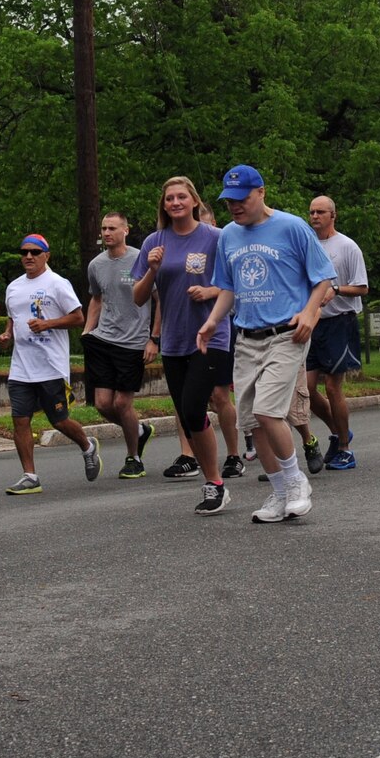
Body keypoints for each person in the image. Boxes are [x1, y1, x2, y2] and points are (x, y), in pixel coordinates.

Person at [195, 165, 336, 523]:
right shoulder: (228, 235)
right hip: (246, 337)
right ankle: (278, 491)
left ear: (261, 193)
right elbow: (228, 287)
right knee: (252, 423)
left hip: (286, 335)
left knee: (267, 411)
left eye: (241, 200)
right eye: (229, 202)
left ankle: (296, 481)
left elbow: (323, 279)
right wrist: (212, 322)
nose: (235, 207)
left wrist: (308, 312)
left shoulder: (292, 227)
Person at [132, 176, 236, 514]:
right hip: (174, 341)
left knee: (193, 408)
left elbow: (236, 287)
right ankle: (213, 481)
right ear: (163, 206)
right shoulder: (154, 242)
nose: (175, 202)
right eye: (169, 198)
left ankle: (215, 482)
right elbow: (138, 297)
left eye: (181, 197)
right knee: (189, 415)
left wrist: (210, 293)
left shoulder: (215, 238)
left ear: (194, 201)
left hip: (211, 336)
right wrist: (152, 270)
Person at [0, 235, 102, 495]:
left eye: (35, 252)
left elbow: (78, 317)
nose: (28, 257)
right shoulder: (14, 287)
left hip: (50, 365)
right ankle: (30, 476)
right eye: (24, 252)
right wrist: (7, 333)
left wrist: (47, 324)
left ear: (47, 255)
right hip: (22, 366)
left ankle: (87, 445)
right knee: (20, 420)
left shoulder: (57, 283)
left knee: (59, 421)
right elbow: (13, 318)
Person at [83, 211, 156, 480]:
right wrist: (88, 330)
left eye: (112, 228)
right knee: (103, 404)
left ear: (126, 230)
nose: (107, 233)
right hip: (104, 339)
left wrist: (153, 338)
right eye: (103, 228)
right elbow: (96, 299)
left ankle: (133, 457)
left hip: (133, 341)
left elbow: (159, 299)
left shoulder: (140, 259)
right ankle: (138, 430)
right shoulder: (96, 265)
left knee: (122, 403)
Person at [305, 196, 369, 471]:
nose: (315, 216)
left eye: (320, 212)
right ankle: (338, 430)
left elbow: (362, 287)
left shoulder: (347, 246)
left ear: (333, 215)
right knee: (305, 390)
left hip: (340, 322)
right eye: (311, 212)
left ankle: (345, 449)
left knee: (333, 386)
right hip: (313, 322)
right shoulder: (306, 244)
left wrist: (337, 289)